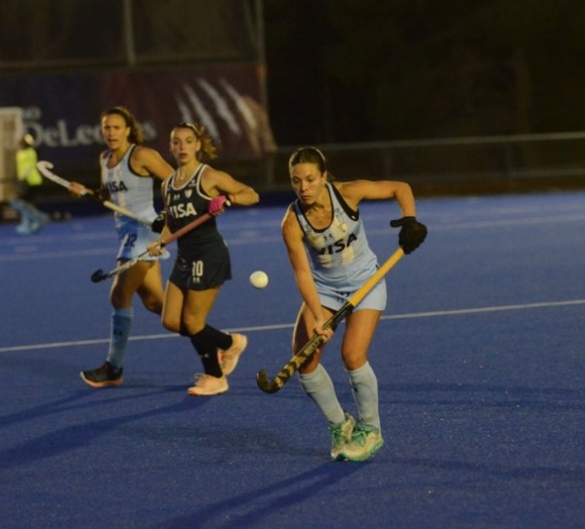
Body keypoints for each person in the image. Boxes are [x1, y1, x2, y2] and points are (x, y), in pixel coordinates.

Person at [281, 146, 427, 462]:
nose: (303, 188)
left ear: (323, 176)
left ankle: (371, 430)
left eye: (309, 179)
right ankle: (341, 424)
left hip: (366, 283)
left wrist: (409, 220)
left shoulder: (348, 193)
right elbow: (303, 273)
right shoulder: (292, 223)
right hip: (324, 289)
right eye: (296, 181)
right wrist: (318, 315)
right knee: (304, 363)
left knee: (352, 354)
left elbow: (400, 188)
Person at [148, 122, 259, 396]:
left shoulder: (208, 176)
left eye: (188, 141)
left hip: (209, 255)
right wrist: (160, 241)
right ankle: (229, 342)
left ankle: (215, 376)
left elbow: (252, 194)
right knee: (172, 321)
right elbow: (171, 224)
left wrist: (228, 200)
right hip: (184, 256)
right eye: (177, 142)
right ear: (171, 147)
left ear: (198, 145)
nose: (182, 147)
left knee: (194, 323)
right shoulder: (167, 185)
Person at [71, 106, 175, 388]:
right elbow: (109, 195)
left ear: (128, 129)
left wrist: (167, 217)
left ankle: (113, 368)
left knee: (119, 296)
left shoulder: (141, 155)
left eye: (116, 127)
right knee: (157, 304)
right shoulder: (104, 159)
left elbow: (175, 183)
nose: (111, 132)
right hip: (125, 231)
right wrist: (89, 193)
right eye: (106, 127)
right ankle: (221, 343)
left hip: (144, 232)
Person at [9, 134, 49, 235]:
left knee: (22, 203)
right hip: (24, 181)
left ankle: (37, 219)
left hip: (31, 181)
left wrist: (23, 179)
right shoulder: (20, 153)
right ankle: (30, 222)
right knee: (25, 203)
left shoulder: (31, 152)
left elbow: (29, 167)